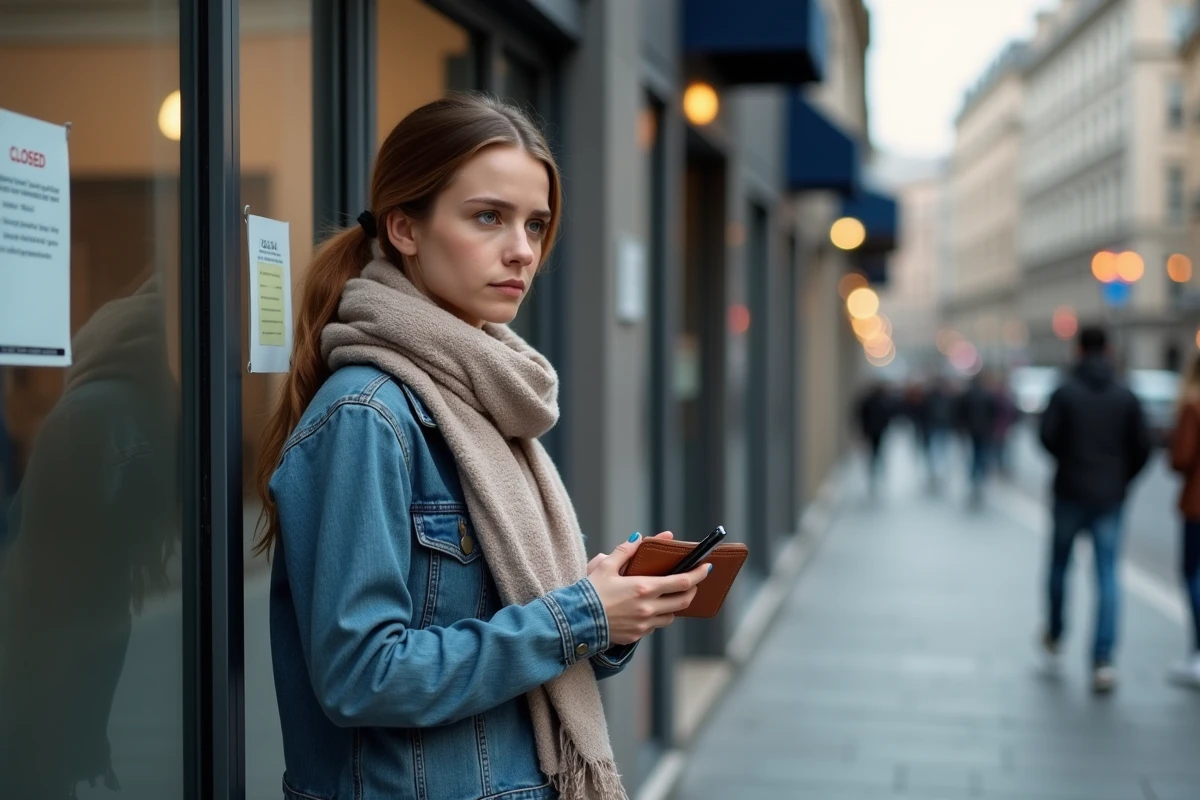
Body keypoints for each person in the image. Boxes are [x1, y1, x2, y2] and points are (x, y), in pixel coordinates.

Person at [254, 94, 710, 800]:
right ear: (405, 227)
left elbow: (509, 643)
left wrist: (609, 611)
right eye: (488, 217)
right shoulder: (369, 416)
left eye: (535, 224)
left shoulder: (486, 396)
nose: (522, 249)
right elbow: (361, 674)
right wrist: (580, 614)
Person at [0, 272, 179, 796]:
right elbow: (67, 593)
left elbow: (53, 591)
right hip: (61, 685)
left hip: (45, 689)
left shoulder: (97, 414)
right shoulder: (127, 413)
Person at [1039, 325, 1150, 694]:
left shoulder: (1065, 392)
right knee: (1107, 577)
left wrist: (1070, 463)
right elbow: (1142, 449)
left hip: (1070, 490)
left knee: (1059, 567)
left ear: (1078, 350)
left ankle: (1055, 633)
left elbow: (1047, 438)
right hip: (1109, 497)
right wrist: (1119, 478)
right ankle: (1103, 659)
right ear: (1108, 350)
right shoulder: (1125, 395)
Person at [1167, 352, 1200, 689]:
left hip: (1197, 505)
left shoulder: (1193, 407)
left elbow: (1181, 458)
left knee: (1193, 575)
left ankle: (1198, 652)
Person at [956, 373, 997, 509]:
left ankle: (974, 478)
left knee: (975, 454)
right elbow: (993, 412)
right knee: (981, 454)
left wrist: (962, 427)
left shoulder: (968, 395)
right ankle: (979, 477)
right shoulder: (987, 395)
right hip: (984, 430)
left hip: (972, 430)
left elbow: (961, 412)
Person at [855, 381, 893, 495]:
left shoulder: (873, 401)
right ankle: (876, 470)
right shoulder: (879, 401)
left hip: (875, 430)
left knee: (875, 451)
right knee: (876, 451)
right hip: (875, 430)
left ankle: (875, 470)